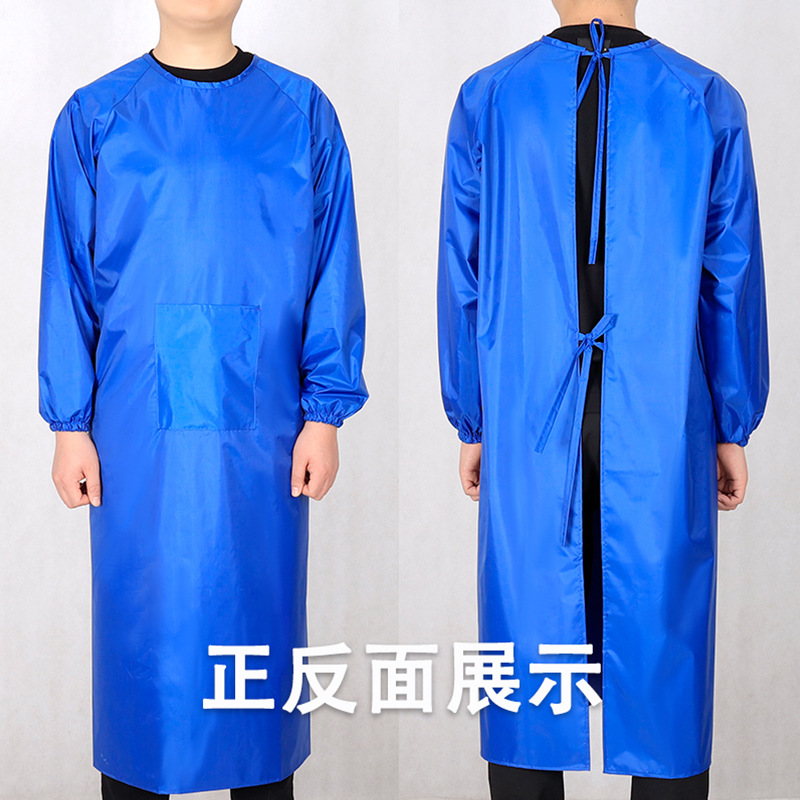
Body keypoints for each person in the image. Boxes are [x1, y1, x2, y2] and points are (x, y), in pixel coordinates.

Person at [436, 1, 769, 798]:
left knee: (527, 664)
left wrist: (474, 417)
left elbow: (463, 273)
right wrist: (730, 423)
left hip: (529, 419)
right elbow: (729, 277)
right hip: (662, 420)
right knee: (663, 663)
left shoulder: (491, 96)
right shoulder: (702, 97)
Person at [37, 1, 368, 797]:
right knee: (144, 657)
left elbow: (332, 266)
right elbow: (68, 277)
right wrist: (69, 424)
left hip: (266, 436)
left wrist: (324, 413)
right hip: (135, 435)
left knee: (257, 655)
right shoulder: (95, 116)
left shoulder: (302, 114)